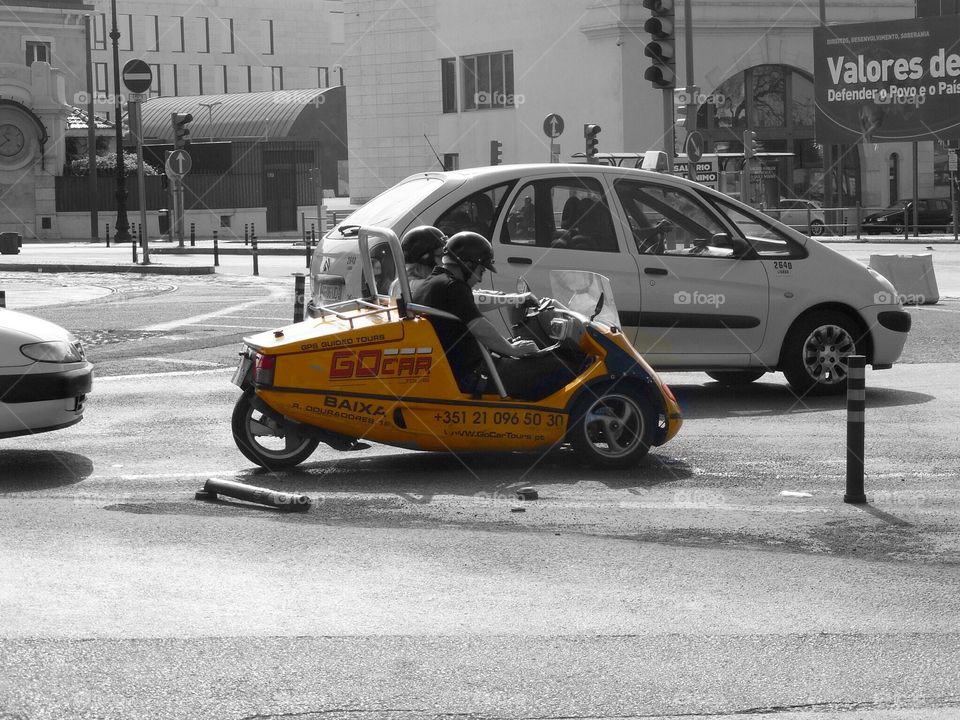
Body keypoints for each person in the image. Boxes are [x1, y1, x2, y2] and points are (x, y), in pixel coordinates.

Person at [412, 231, 576, 399]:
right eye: (481, 270)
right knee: (562, 368)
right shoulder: (454, 287)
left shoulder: (431, 284)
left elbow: (472, 307)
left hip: (461, 370)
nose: (480, 279)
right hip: (475, 374)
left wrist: (507, 341)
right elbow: (480, 328)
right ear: (468, 265)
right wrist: (512, 349)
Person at [388, 225, 446, 297]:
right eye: (441, 255)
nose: (444, 260)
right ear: (427, 259)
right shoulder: (431, 286)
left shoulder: (398, 283)